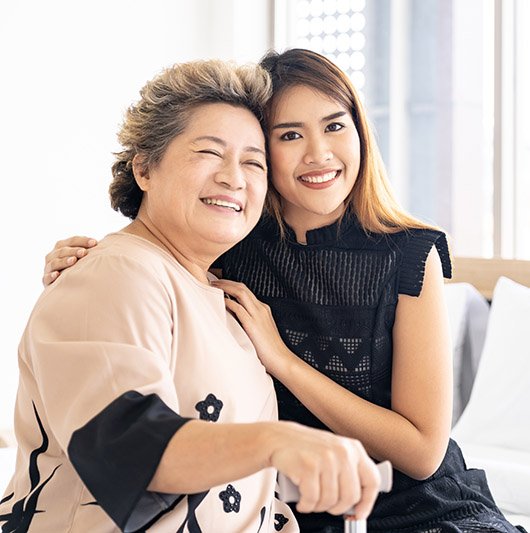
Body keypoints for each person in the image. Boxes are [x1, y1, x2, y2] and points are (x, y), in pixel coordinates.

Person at [42, 48, 525, 533]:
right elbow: (152, 254)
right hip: (283, 505)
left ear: (360, 131)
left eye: (335, 126)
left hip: (417, 507)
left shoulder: (407, 256)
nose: (319, 153)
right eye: (290, 135)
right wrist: (83, 260)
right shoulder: (229, 240)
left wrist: (283, 361)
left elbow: (422, 454)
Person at [4, 58, 380, 533]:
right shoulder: (115, 273)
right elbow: (130, 450)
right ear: (144, 167)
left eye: (253, 161)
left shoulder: (224, 295)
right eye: (209, 152)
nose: (234, 177)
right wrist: (278, 441)